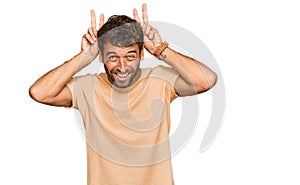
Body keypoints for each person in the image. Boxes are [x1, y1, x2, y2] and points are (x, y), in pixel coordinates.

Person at [29, 3, 217, 185]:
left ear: (141, 54)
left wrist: (160, 50)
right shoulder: (87, 87)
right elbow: (39, 93)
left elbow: (206, 80)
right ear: (101, 56)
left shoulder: (160, 80)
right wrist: (83, 58)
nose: (122, 67)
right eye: (113, 57)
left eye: (130, 56)